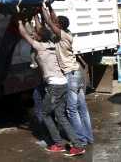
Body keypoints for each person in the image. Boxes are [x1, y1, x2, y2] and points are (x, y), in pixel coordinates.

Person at [18, 17, 86, 157]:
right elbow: (41, 31)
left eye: (36, 34)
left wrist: (18, 21)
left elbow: (24, 35)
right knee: (60, 115)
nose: (34, 35)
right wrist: (37, 16)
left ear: (40, 37)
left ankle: (60, 143)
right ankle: (75, 144)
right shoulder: (53, 44)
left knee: (45, 113)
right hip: (62, 83)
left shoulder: (40, 47)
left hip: (55, 85)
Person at [41, 6, 94, 147]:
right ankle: (88, 137)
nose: (54, 24)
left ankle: (81, 139)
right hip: (77, 73)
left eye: (56, 23)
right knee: (82, 108)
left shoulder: (63, 35)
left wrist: (42, 8)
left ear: (60, 26)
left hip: (71, 75)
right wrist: (50, 7)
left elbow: (50, 23)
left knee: (71, 110)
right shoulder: (66, 33)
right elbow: (53, 20)